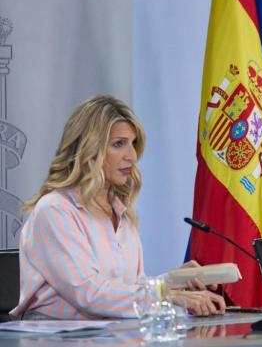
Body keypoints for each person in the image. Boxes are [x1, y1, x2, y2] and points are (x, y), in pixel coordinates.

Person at [10, 95, 225, 320]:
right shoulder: (54, 210)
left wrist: (173, 282)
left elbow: (127, 288)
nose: (131, 156)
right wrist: (165, 295)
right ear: (88, 148)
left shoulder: (121, 211)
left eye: (133, 144)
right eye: (118, 144)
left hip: (111, 334)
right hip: (54, 337)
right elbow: (88, 293)